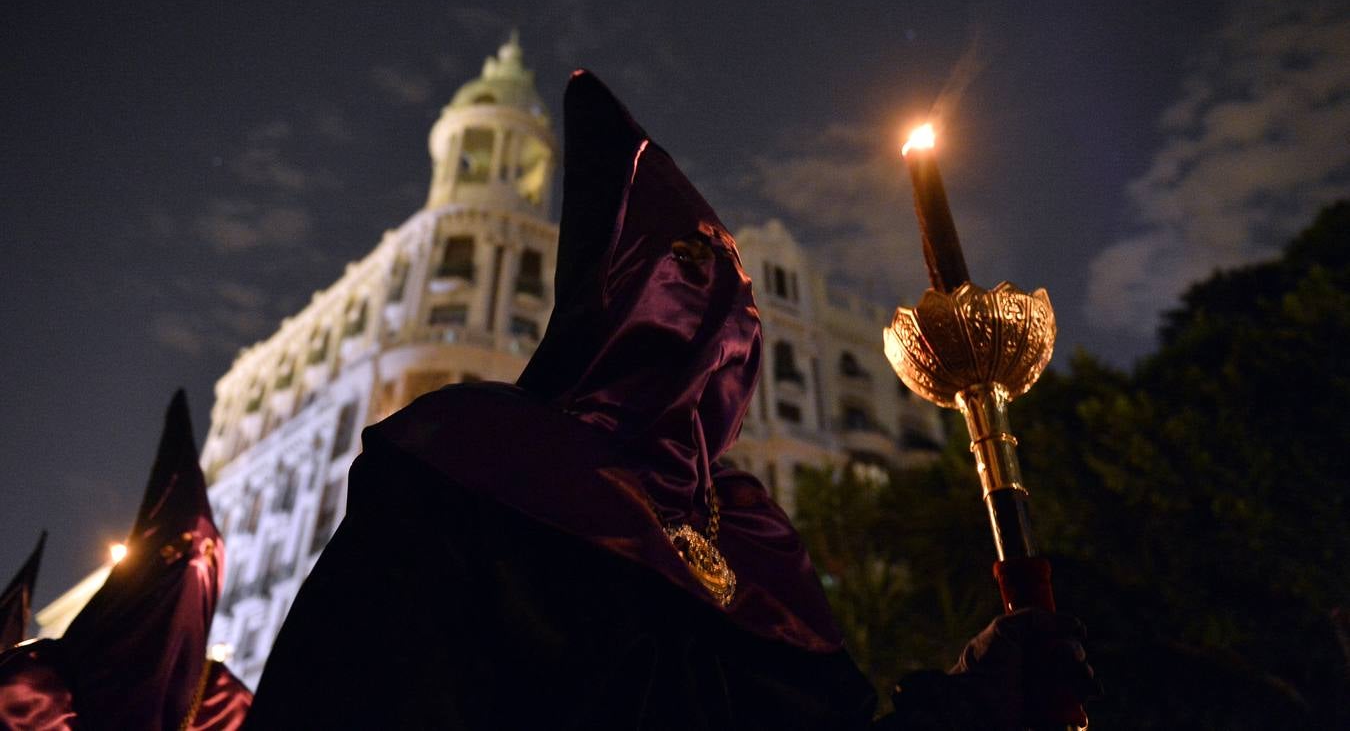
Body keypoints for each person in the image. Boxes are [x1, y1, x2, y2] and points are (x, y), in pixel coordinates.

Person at [244, 71, 1093, 729]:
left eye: (735, 303)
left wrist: (982, 693)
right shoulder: (477, 459)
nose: (718, 333)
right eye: (686, 281)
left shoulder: (752, 533)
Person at [0, 392, 252, 730]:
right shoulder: (34, 683)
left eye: (208, 557)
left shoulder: (227, 705)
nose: (191, 568)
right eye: (174, 552)